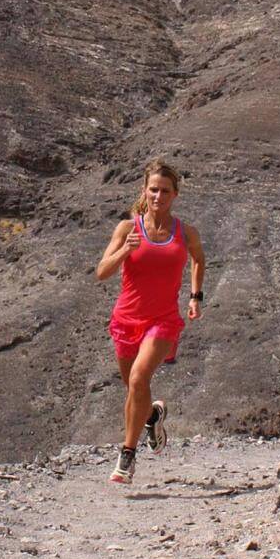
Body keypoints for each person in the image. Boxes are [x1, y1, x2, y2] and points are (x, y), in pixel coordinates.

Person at [95, 159, 205, 484]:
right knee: (133, 387)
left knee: (139, 378)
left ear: (175, 194)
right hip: (126, 319)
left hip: (163, 321)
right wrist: (123, 252)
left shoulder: (186, 232)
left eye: (165, 191)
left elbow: (199, 260)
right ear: (144, 191)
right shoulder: (127, 229)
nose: (158, 196)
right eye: (153, 189)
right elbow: (102, 272)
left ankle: (126, 457)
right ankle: (152, 418)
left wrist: (195, 296)